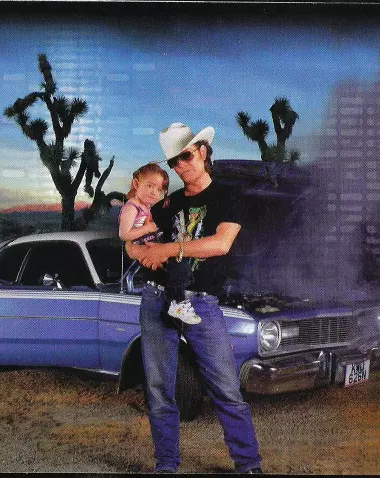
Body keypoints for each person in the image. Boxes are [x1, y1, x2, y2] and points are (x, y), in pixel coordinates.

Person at [125, 122, 263, 474]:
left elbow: (221, 243)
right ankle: (166, 465)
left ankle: (248, 465)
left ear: (202, 151)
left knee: (226, 389)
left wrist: (166, 249)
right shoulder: (168, 203)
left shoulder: (228, 197)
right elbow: (131, 242)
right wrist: (142, 253)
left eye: (185, 156)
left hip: (201, 303)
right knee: (159, 389)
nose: (179, 166)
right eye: (173, 162)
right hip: (157, 297)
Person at [119, 163, 201, 325]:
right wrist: (148, 228)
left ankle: (176, 302)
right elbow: (124, 234)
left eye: (158, 190)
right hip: (145, 246)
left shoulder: (146, 207)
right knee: (176, 264)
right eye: (149, 186)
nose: (153, 192)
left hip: (152, 243)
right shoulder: (131, 207)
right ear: (136, 184)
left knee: (177, 264)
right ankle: (177, 304)